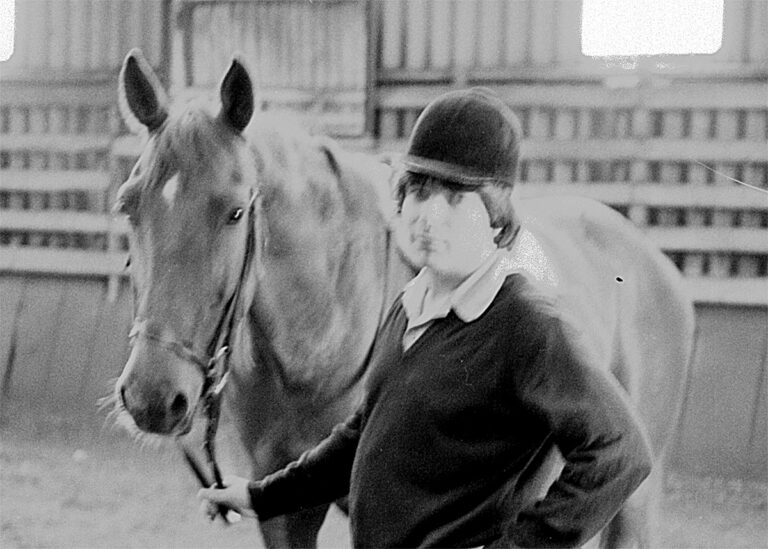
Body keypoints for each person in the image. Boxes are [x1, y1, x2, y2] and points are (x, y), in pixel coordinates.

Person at [198, 87, 653, 548]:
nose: (428, 216)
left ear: (496, 217)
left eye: (455, 198)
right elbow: (362, 434)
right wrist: (260, 497)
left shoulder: (527, 324)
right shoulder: (411, 303)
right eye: (418, 191)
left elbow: (620, 452)